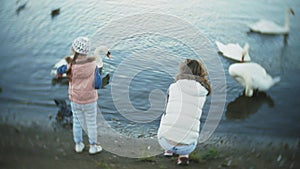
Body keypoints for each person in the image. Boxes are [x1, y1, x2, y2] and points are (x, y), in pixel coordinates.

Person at [157, 59, 211, 165]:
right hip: (188, 146)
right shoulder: (202, 92)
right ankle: (183, 156)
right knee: (192, 118)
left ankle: (168, 151)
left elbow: (167, 107)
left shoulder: (173, 87)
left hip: (165, 142)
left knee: (167, 114)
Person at [56, 37, 102, 154]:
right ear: (87, 51)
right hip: (90, 100)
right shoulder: (93, 65)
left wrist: (59, 73)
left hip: (75, 100)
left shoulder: (70, 65)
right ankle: (93, 146)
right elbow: (97, 84)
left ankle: (78, 145)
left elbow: (60, 70)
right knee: (91, 123)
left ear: (74, 50)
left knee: (77, 122)